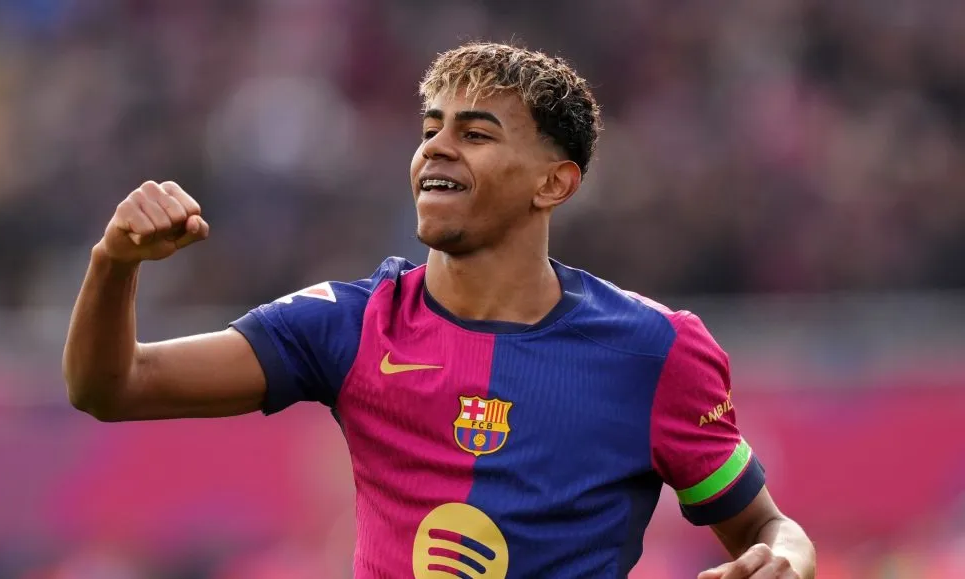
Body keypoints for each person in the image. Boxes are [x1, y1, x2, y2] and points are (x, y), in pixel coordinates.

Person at [63, 42, 815, 579]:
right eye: (430, 131)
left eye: (474, 133)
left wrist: (785, 558)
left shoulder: (653, 348)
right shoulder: (347, 323)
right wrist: (113, 262)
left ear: (553, 184)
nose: (436, 150)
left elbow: (764, 526)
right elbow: (113, 386)